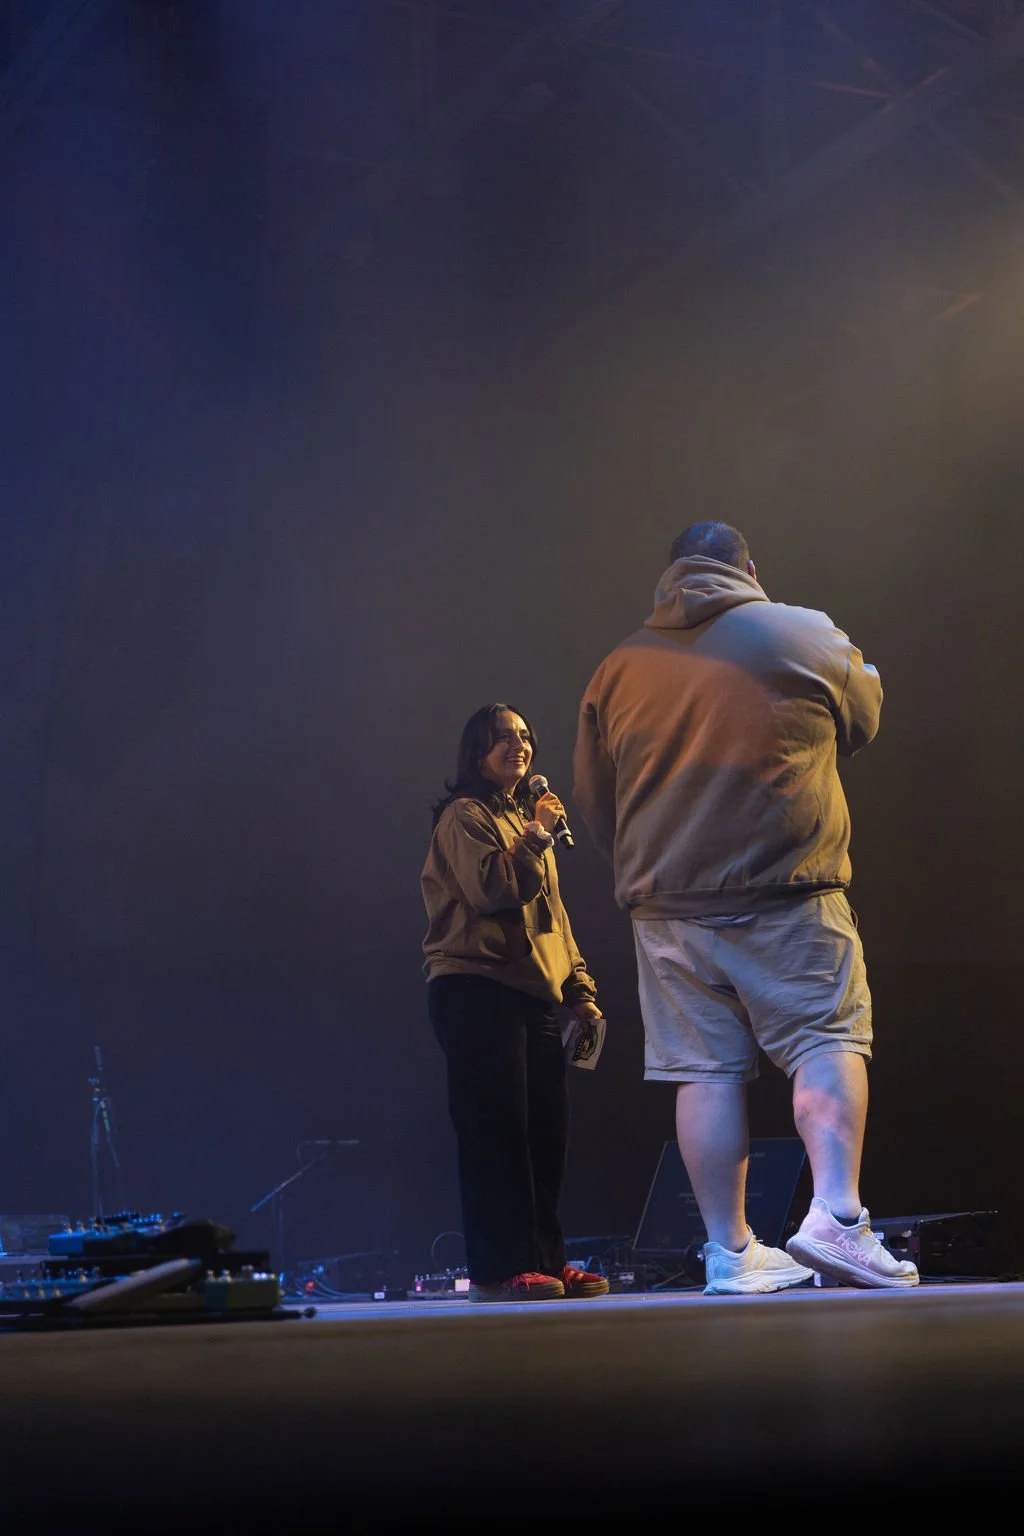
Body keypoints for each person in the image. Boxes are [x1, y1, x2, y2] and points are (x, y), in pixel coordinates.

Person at [572, 522, 919, 1295]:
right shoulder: (801, 631)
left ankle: (730, 1251)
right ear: (750, 570)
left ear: (670, 577)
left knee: (703, 1073)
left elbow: (596, 799)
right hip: (785, 889)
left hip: (665, 905)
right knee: (825, 1038)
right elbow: (864, 716)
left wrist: (649, 865)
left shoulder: (617, 667)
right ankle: (836, 1216)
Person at [421, 702, 611, 1303]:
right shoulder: (465, 815)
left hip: (531, 992)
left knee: (544, 1134)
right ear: (476, 750)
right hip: (475, 987)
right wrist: (535, 835)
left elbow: (553, 918)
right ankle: (498, 1270)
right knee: (496, 1134)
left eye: (525, 736)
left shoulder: (529, 823)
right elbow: (493, 891)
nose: (519, 745)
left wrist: (580, 991)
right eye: (502, 737)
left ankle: (546, 1261)